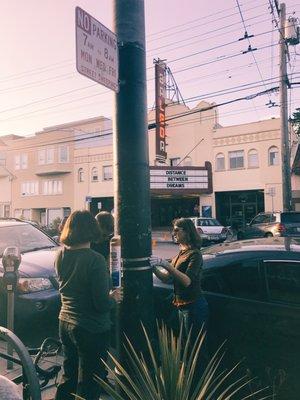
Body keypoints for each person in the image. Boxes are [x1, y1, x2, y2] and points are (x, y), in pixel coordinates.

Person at [54, 210, 122, 400]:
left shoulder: (60, 255)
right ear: (92, 229)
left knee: (69, 376)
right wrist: (114, 297)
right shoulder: (95, 260)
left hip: (65, 322)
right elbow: (101, 304)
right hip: (91, 328)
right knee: (90, 383)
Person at [150, 217, 208, 340]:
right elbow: (167, 278)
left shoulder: (195, 254)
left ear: (187, 232)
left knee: (194, 347)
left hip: (193, 307)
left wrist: (165, 264)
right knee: (183, 343)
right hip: (181, 306)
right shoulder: (181, 253)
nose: (173, 233)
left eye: (177, 230)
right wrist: (153, 267)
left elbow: (187, 281)